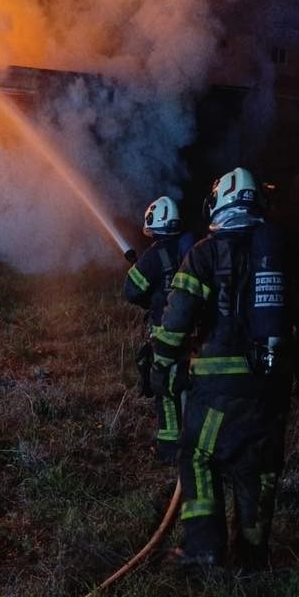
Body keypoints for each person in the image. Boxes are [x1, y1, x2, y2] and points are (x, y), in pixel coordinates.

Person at [151, 167, 299, 570]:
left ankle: (203, 548)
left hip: (216, 391)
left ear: (218, 205)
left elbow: (176, 321)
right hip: (270, 384)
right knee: (258, 466)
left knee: (197, 456)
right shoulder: (281, 254)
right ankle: (252, 557)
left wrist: (161, 362)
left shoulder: (204, 253)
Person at [124, 195, 195, 464]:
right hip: (195, 333)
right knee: (190, 386)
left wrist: (139, 273)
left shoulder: (154, 256)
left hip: (165, 332)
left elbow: (131, 291)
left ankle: (169, 451)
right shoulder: (192, 250)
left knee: (164, 387)